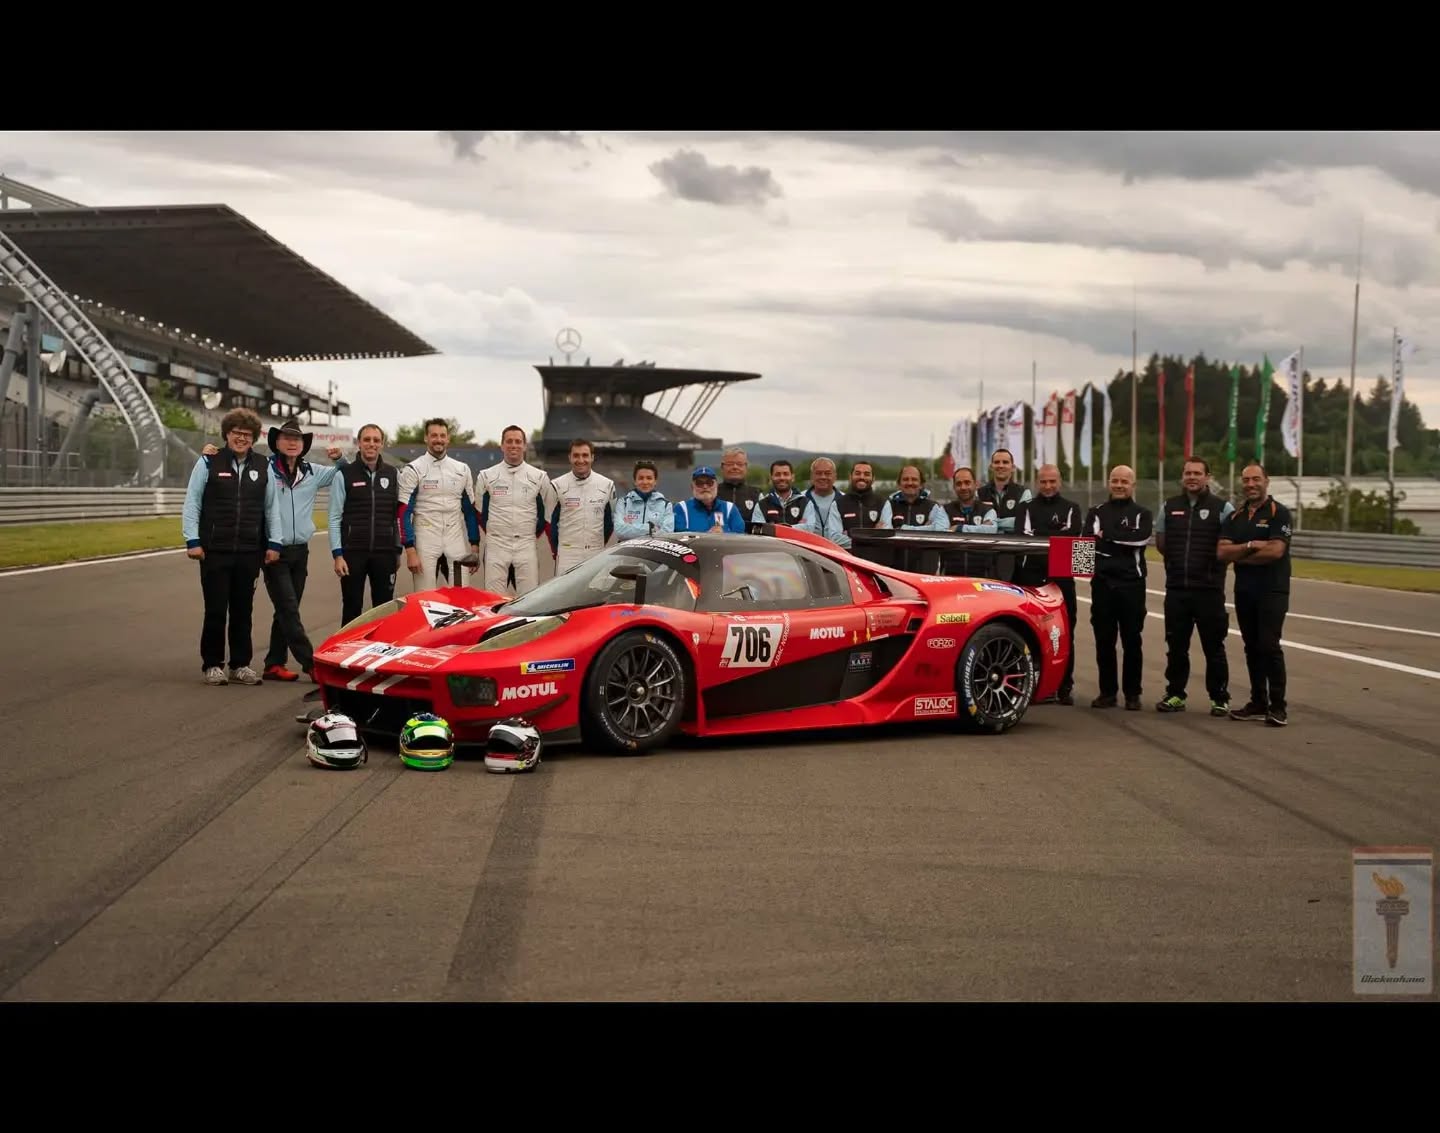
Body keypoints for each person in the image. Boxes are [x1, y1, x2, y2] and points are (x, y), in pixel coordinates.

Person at [182, 408, 281, 686]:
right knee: (215, 609)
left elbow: (271, 508)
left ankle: (241, 665)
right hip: (214, 550)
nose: (241, 438)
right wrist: (193, 540)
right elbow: (193, 503)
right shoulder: (209, 462)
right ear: (227, 434)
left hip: (250, 551)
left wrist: (274, 542)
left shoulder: (264, 465)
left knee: (243, 610)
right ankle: (212, 664)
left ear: (254, 438)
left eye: (247, 434)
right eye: (236, 433)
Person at [257, 417, 346, 682]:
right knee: (289, 608)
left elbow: (343, 472)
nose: (292, 442)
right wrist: (211, 453)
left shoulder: (312, 471)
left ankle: (273, 663)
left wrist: (340, 459)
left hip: (301, 550)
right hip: (273, 550)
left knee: (285, 609)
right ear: (277, 442)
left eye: (296, 439)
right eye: (287, 438)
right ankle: (311, 664)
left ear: (303, 444)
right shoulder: (264, 468)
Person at [1155, 456, 1235, 716]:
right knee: (1176, 647)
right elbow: (1162, 543)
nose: (1192, 477)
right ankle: (1176, 694)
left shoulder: (1223, 508)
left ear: (1207, 477)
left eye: (1197, 473)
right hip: (1177, 589)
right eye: (1188, 473)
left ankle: (1219, 698)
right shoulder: (1169, 506)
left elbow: (1229, 546)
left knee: (1214, 647)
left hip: (1209, 591)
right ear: (1182, 476)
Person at [1218, 462, 1293, 727]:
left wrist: (1240, 555)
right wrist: (1250, 546)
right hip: (1245, 590)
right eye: (1246, 480)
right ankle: (1258, 701)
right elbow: (1222, 554)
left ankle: (1278, 706)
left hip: (1272, 589)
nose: (1250, 484)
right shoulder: (1236, 517)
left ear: (1266, 481)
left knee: (1269, 645)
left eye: (1255, 479)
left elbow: (1275, 552)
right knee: (1251, 647)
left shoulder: (1278, 513)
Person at [1013, 463, 1084, 706]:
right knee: (1032, 632)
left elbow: (1074, 541)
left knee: (1065, 633)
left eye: (1052, 481)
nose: (1048, 486)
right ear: (1037, 482)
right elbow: (1024, 539)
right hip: (1031, 580)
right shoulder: (1026, 508)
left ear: (1060, 482)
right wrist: (1056, 537)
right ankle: (1034, 685)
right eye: (1043, 481)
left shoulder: (1072, 508)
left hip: (1063, 580)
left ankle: (1065, 686)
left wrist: (1043, 537)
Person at [1084, 464, 1152, 710]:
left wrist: (1107, 537)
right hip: (1102, 585)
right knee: (1104, 640)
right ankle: (1107, 692)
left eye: (1125, 481)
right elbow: (1086, 544)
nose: (1119, 485)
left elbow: (1141, 538)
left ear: (1133, 485)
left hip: (1132, 585)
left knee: (1132, 640)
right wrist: (1117, 538)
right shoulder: (1096, 511)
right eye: (1115, 480)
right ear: (1108, 483)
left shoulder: (1142, 513)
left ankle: (1133, 694)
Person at [329, 423, 403, 628]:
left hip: (385, 553)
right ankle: (345, 654)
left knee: (384, 609)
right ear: (359, 443)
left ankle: (381, 653)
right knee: (352, 607)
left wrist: (397, 551)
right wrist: (338, 555)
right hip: (352, 554)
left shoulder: (393, 474)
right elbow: (335, 518)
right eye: (367, 439)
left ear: (382, 444)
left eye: (376, 440)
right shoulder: (344, 474)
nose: (372, 444)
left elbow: (398, 516)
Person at [399, 418, 481, 591]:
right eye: (434, 435)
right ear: (426, 438)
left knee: (461, 594)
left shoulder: (462, 469)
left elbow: (469, 511)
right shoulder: (413, 469)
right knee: (425, 598)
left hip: (455, 537)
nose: (438, 439)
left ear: (448, 438)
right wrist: (410, 550)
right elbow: (403, 512)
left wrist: (474, 546)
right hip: (425, 537)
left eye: (442, 435)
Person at [477, 425, 558, 597]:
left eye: (518, 441)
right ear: (502, 445)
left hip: (526, 544)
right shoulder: (486, 476)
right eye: (509, 441)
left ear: (524, 445)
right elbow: (480, 514)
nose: (514, 445)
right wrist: (496, 532)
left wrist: (530, 534)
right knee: (493, 599)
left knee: (528, 599)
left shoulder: (539, 477)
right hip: (496, 545)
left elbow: (547, 514)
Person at [548, 438, 615, 574]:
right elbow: (551, 524)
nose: (580, 460)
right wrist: (559, 549)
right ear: (570, 458)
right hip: (567, 553)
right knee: (563, 594)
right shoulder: (557, 485)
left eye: (585, 455)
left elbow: (609, 523)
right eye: (576, 455)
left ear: (592, 457)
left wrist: (598, 544)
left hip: (595, 552)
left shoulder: (607, 485)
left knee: (594, 594)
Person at [976, 448, 1033, 533]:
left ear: (1013, 468)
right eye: (997, 462)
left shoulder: (1024, 493)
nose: (1001, 466)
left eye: (1005, 462)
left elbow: (1025, 522)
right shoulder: (979, 493)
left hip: (1012, 544)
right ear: (991, 467)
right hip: (987, 544)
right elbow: (976, 521)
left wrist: (993, 524)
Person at [673, 466, 746, 532]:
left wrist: (724, 534)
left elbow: (740, 535)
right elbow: (679, 536)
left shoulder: (730, 508)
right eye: (699, 483)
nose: (705, 486)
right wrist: (707, 536)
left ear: (716, 485)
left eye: (709, 482)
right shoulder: (681, 508)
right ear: (692, 487)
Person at [615, 459, 675, 539]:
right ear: (635, 481)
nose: (645, 482)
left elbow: (667, 534)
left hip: (654, 551)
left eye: (649, 478)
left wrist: (631, 528)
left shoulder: (666, 505)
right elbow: (620, 531)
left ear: (655, 481)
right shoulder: (623, 503)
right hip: (628, 550)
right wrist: (650, 528)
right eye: (641, 478)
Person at [795, 457, 848, 546]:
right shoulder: (799, 499)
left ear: (835, 476)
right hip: (807, 553)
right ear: (812, 476)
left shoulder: (845, 500)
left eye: (827, 473)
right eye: (818, 473)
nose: (823, 477)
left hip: (838, 553)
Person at [877, 465, 948, 530]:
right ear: (899, 484)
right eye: (905, 479)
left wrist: (901, 528)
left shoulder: (933, 507)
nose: (910, 483)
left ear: (921, 484)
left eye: (914, 479)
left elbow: (938, 530)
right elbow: (886, 531)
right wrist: (925, 529)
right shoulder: (888, 505)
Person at [715, 446, 763, 530]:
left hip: (749, 542)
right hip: (717, 541)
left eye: (740, 464)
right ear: (722, 467)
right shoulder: (713, 493)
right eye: (730, 464)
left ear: (746, 467)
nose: (735, 467)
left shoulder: (757, 495)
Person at [943, 466, 999, 532]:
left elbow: (990, 530)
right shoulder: (944, 510)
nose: (963, 487)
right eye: (959, 484)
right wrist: (980, 529)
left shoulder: (988, 511)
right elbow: (940, 532)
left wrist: (959, 528)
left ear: (976, 484)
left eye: (967, 483)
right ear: (954, 487)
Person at [755, 460, 808, 526]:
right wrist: (797, 527)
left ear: (793, 477)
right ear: (771, 478)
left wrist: (773, 527)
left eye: (786, 474)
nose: (782, 478)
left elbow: (808, 527)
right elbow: (759, 529)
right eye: (777, 474)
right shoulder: (761, 505)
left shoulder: (805, 502)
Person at [838, 460, 885, 535]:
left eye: (867, 474)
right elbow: (835, 538)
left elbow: (885, 536)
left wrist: (849, 534)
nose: (862, 477)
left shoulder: (883, 503)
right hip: (848, 547)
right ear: (850, 477)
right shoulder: (838, 504)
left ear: (873, 479)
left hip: (874, 547)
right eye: (857, 473)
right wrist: (873, 534)